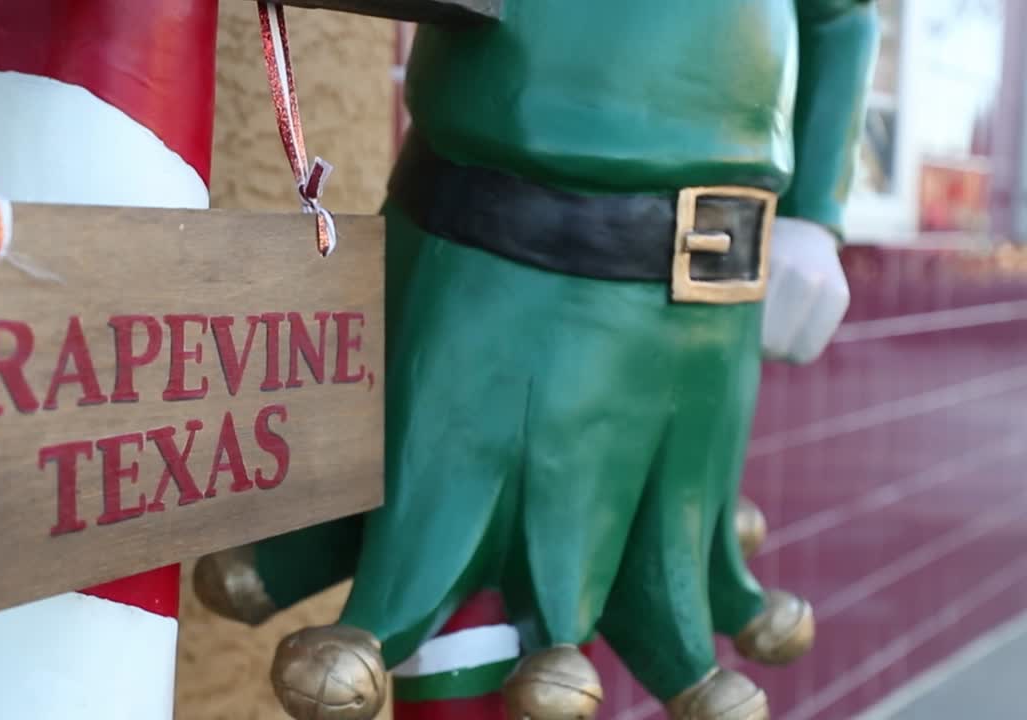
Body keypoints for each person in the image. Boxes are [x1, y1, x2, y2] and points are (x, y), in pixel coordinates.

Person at [198, 2, 876, 718]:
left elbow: (840, 15)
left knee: (604, 581)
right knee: (445, 552)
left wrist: (814, 215)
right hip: (485, 253)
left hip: (709, 299)